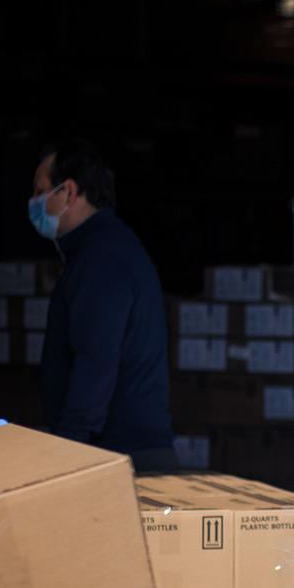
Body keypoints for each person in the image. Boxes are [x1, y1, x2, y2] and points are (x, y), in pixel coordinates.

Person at [28, 140, 176, 471]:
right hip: (118, 453)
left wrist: (68, 450)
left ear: (68, 191)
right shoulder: (102, 250)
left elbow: (95, 360)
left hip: (119, 458)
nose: (34, 202)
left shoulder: (101, 260)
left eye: (40, 191)